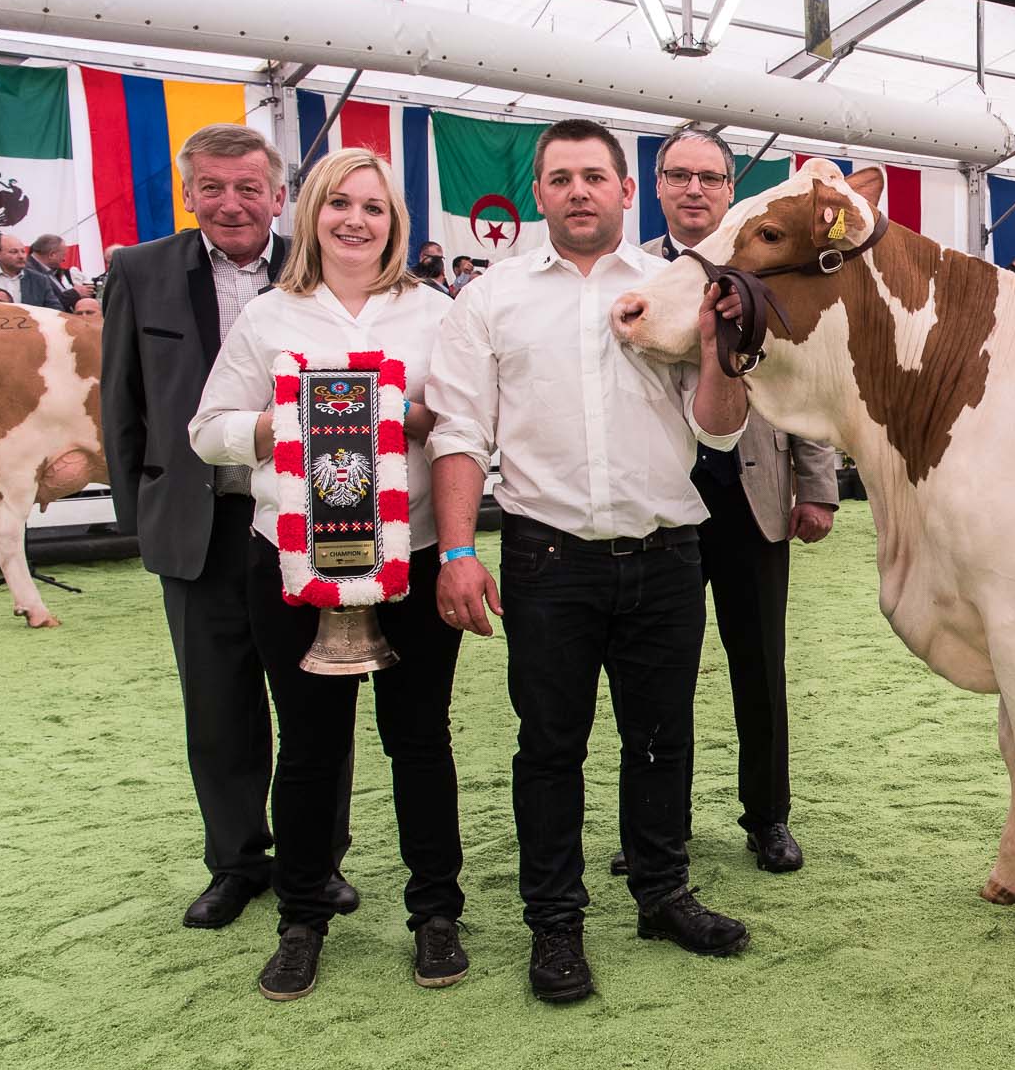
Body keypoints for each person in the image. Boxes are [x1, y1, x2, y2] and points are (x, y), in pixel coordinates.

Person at [426, 119, 753, 1005]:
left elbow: (717, 427)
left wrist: (723, 344)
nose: (578, 191)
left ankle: (661, 893)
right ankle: (556, 924)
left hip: (667, 552)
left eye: (594, 176)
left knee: (661, 738)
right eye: (561, 177)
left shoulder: (672, 288)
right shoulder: (490, 298)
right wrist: (457, 549)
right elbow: (458, 431)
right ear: (539, 193)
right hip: (546, 558)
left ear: (623, 190)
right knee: (549, 747)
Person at [188, 148, 467, 1001]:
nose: (355, 219)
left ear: (396, 222)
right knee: (309, 747)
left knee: (420, 739)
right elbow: (207, 429)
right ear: (310, 212)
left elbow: (462, 421)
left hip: (409, 554)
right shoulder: (270, 314)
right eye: (339, 202)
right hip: (292, 557)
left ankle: (436, 912)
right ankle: (302, 916)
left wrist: (410, 418)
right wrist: (273, 425)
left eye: (374, 207)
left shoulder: (434, 313)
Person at [102, 123, 357, 931]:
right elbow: (122, 404)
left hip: (308, 521)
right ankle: (237, 862)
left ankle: (317, 861)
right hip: (200, 524)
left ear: (279, 196)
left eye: (249, 187)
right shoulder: (137, 271)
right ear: (188, 194)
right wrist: (138, 518)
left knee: (319, 699)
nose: (231, 203)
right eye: (212, 187)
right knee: (217, 708)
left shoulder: (320, 264)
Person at [636, 124, 837, 875]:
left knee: (760, 666)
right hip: (659, 499)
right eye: (679, 175)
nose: (694, 189)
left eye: (709, 178)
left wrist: (817, 488)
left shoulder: (773, 267)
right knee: (662, 673)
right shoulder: (633, 277)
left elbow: (806, 380)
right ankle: (662, 825)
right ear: (656, 187)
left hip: (754, 497)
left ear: (729, 190)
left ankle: (768, 817)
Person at [28, 234, 93, 305]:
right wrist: (74, 293)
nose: (64, 259)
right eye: (63, 255)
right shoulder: (29, 272)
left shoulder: (48, 270)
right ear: (52, 255)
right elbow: (42, 304)